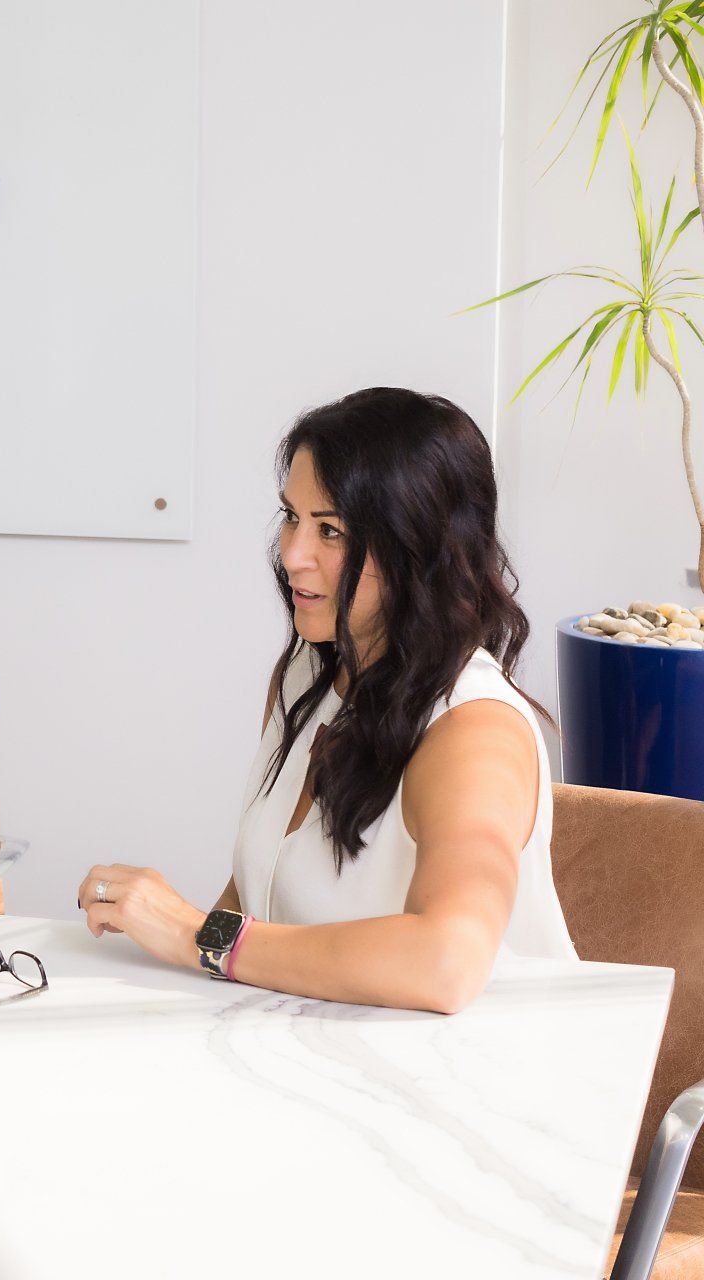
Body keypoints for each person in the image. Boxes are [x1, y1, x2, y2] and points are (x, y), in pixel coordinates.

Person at [76, 387, 575, 1012]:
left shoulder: (473, 731)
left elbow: (447, 962)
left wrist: (194, 934)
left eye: (331, 530)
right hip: (311, 1061)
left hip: (464, 1087)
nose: (292, 556)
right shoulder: (311, 675)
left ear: (418, 549)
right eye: (291, 517)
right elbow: (264, 894)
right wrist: (164, 936)